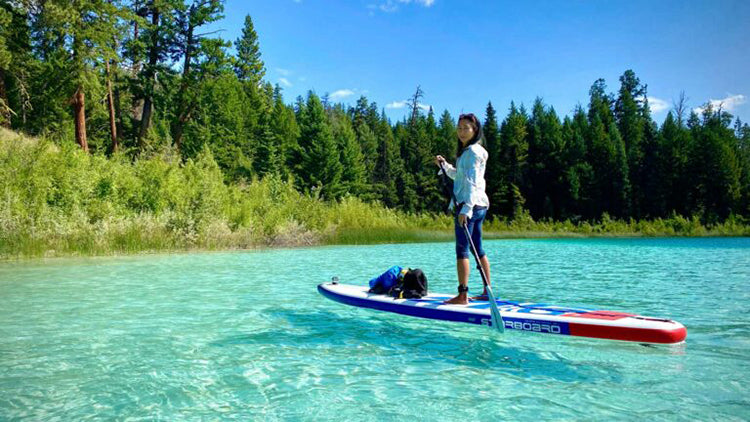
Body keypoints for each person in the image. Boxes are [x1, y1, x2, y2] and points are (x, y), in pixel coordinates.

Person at [435, 113, 491, 305]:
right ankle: (486, 291)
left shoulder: (473, 153)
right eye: (459, 128)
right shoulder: (469, 152)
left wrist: (466, 209)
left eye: (466, 128)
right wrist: (444, 166)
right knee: (478, 248)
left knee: (462, 250)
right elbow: (459, 177)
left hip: (470, 206)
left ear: (475, 130)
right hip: (480, 204)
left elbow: (473, 183)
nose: (461, 132)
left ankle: (462, 295)